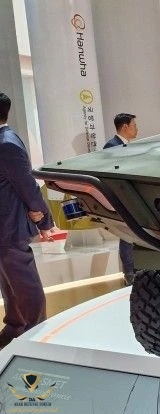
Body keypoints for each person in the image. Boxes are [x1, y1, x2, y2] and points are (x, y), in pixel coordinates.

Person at [0, 92, 55, 347]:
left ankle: (37, 332)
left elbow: (28, 186)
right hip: (5, 226)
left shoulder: (7, 144)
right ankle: (15, 326)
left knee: (24, 283)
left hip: (9, 225)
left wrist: (43, 220)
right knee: (9, 282)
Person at [104, 113, 138, 285]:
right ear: (125, 126)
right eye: (134, 125)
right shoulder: (112, 146)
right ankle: (129, 273)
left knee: (133, 234)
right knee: (126, 235)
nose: (137, 129)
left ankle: (134, 271)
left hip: (129, 196)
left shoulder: (125, 145)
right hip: (122, 197)